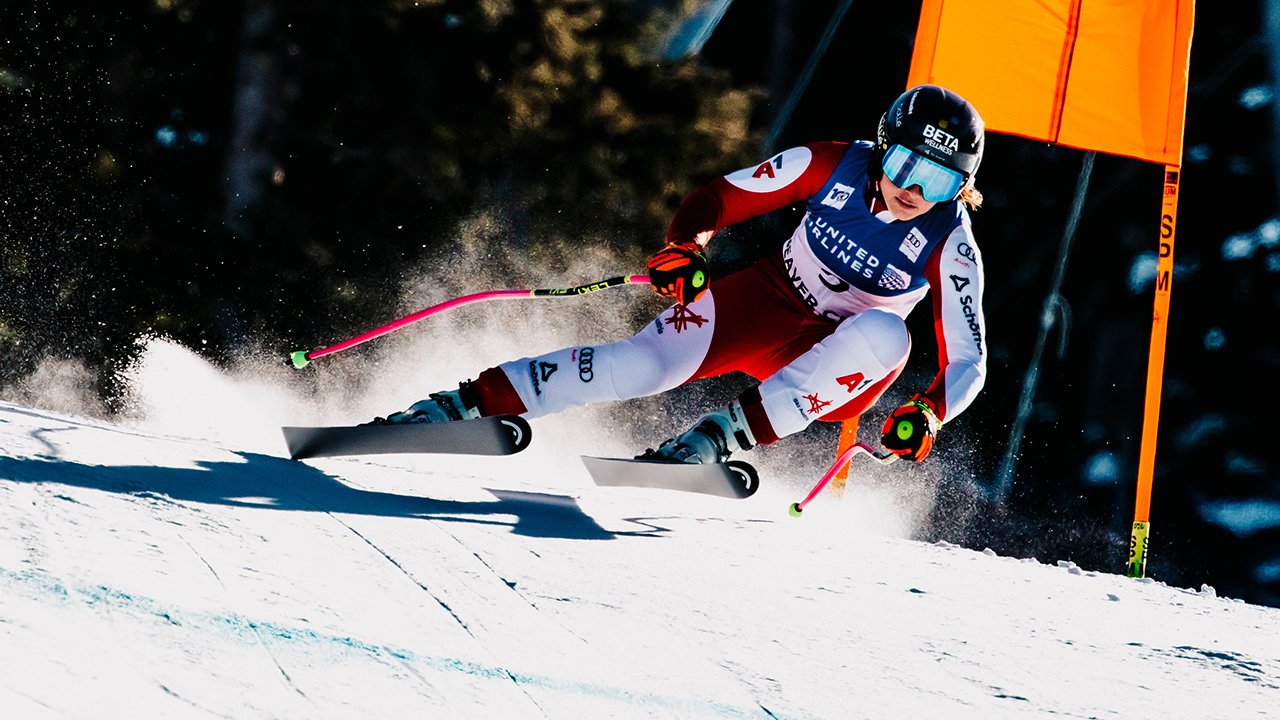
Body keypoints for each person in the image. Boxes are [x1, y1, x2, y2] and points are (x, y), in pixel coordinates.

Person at [378, 84, 988, 466]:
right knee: (645, 364)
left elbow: (969, 359)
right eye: (909, 164)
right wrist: (685, 248)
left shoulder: (951, 244)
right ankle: (461, 405)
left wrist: (931, 412)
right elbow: (718, 198)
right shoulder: (829, 163)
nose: (915, 189)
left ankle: (716, 439)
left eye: (940, 181)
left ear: (962, 188)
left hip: (839, 365)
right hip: (769, 300)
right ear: (884, 149)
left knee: (890, 335)